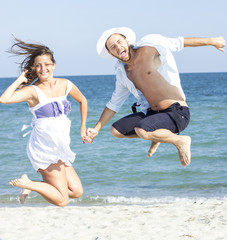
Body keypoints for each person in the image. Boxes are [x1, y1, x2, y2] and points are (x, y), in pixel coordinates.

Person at [86, 27, 225, 167]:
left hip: (177, 112)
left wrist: (214, 41)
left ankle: (180, 141)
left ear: (127, 40)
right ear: (110, 53)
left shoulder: (150, 44)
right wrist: (96, 128)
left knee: (142, 130)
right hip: (153, 114)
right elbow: (114, 103)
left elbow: (180, 42)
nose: (118, 47)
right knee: (115, 130)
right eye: (113, 47)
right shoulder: (123, 72)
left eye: (119, 42)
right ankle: (158, 134)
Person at [0, 37, 87, 206]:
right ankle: (30, 184)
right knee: (62, 201)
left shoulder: (65, 84)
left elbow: (83, 100)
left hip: (60, 146)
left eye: (46, 64)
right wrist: (20, 79)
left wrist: (82, 128)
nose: (43, 69)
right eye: (38, 65)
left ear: (53, 64)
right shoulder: (33, 91)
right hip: (45, 148)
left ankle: (30, 185)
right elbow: (4, 99)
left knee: (76, 191)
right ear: (34, 68)